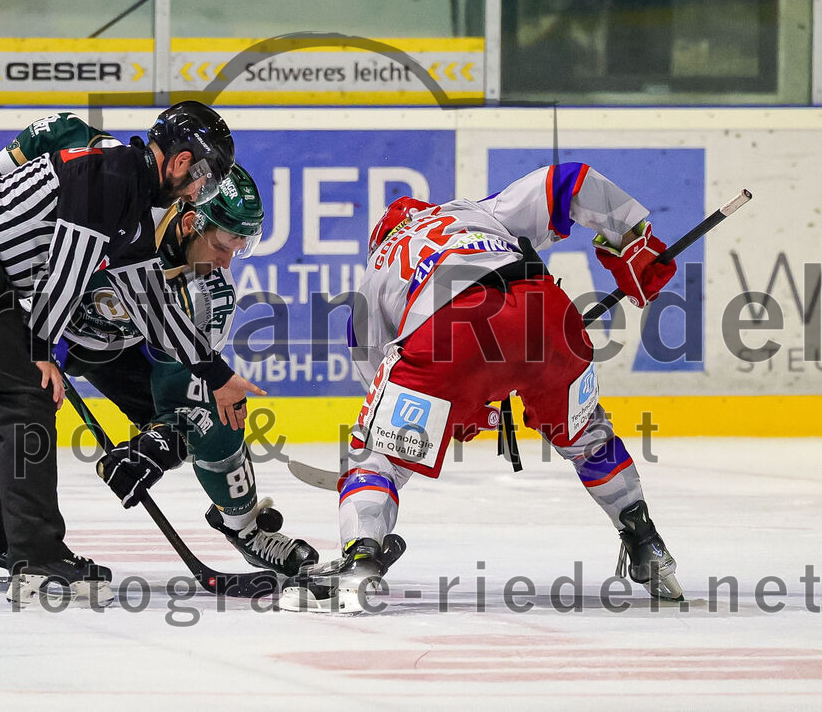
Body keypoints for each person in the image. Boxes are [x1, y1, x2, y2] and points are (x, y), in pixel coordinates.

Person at [0, 155, 317, 590]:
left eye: (238, 249)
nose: (226, 263)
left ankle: (245, 526)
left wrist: (151, 453)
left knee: (216, 404)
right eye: (222, 246)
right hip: (51, 326)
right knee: (9, 406)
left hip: (127, 349)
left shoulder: (209, 293)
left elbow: (179, 389)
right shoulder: (120, 213)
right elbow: (51, 138)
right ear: (188, 223)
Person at [278, 162, 683, 613]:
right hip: (547, 313)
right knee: (587, 436)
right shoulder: (470, 212)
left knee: (379, 457)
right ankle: (649, 545)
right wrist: (631, 238)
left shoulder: (375, 274)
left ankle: (360, 561)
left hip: (450, 334)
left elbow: (389, 395)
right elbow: (571, 180)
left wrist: (453, 411)